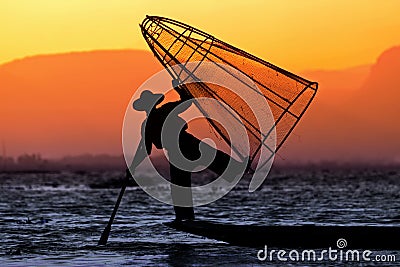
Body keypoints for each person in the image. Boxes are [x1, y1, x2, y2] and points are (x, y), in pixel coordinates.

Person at [127, 80, 246, 221]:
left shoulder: (165, 110)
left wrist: (178, 88)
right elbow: (146, 149)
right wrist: (132, 167)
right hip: (179, 150)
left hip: (184, 144)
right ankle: (184, 217)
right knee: (181, 184)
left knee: (207, 162)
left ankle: (184, 216)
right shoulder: (148, 123)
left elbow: (186, 102)